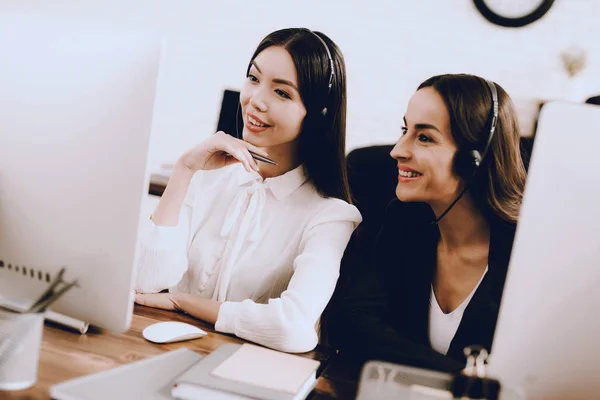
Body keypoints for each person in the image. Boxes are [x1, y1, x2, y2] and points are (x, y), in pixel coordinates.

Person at [134, 28, 361, 353]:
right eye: (253, 79)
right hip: (162, 351)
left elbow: (293, 327)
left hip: (246, 372)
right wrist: (185, 170)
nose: (256, 100)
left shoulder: (331, 216)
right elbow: (146, 281)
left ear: (318, 112)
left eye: (282, 93)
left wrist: (183, 302)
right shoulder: (206, 176)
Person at [328, 74, 527, 372]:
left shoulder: (524, 256)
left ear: (474, 159)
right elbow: (353, 322)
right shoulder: (405, 219)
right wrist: (460, 377)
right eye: (404, 129)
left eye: (424, 137)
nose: (397, 150)